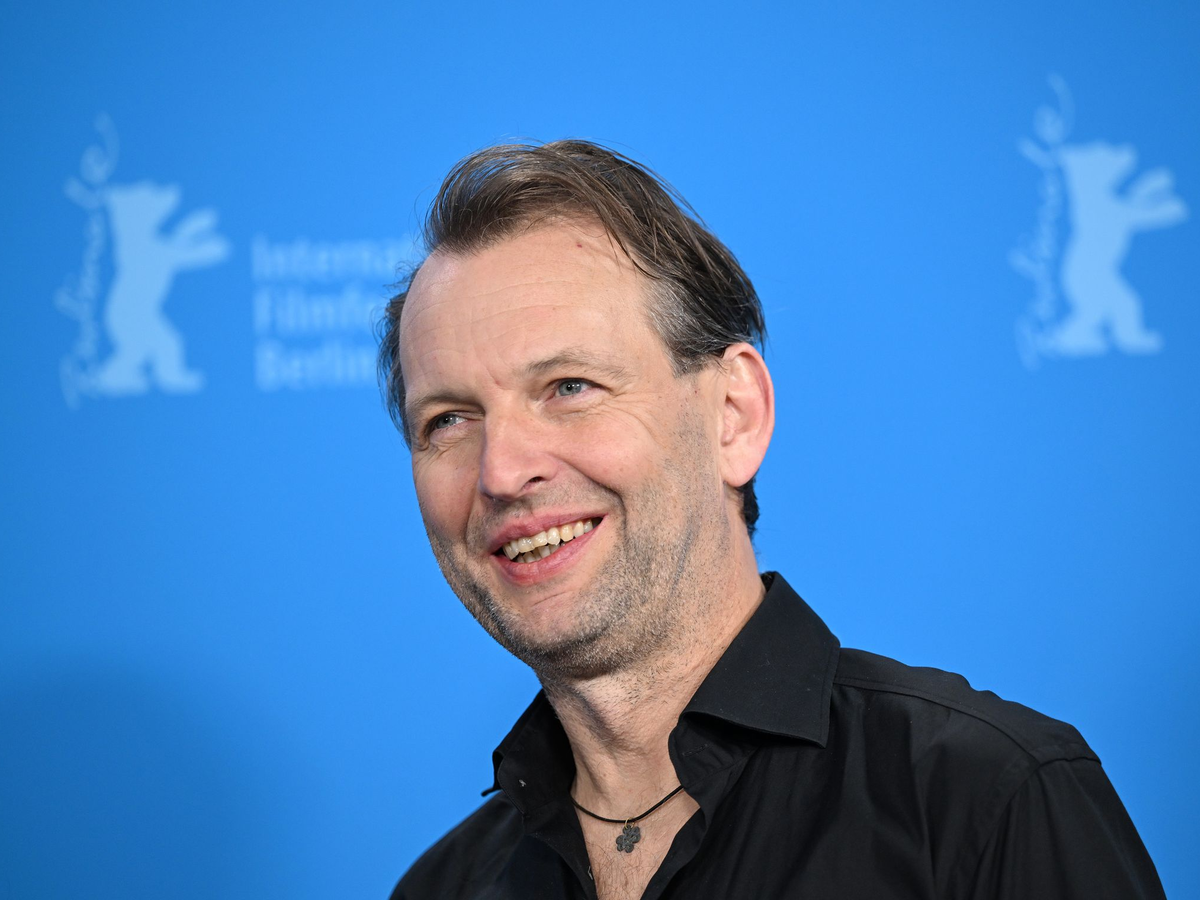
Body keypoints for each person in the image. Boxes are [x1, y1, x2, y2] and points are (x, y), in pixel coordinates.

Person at [376, 140, 1164, 900]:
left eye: (570, 387)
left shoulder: (985, 804)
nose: (502, 471)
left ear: (734, 415)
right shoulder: (442, 887)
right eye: (448, 421)